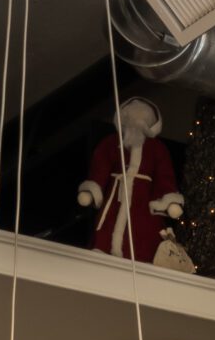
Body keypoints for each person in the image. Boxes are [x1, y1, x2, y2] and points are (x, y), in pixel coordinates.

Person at [78, 97, 185, 265]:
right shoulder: (112, 143)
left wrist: (168, 200)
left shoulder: (157, 148)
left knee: (143, 230)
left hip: (143, 200)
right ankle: (103, 249)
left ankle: (142, 257)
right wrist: (93, 188)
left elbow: (164, 176)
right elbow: (101, 166)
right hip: (116, 194)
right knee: (109, 225)